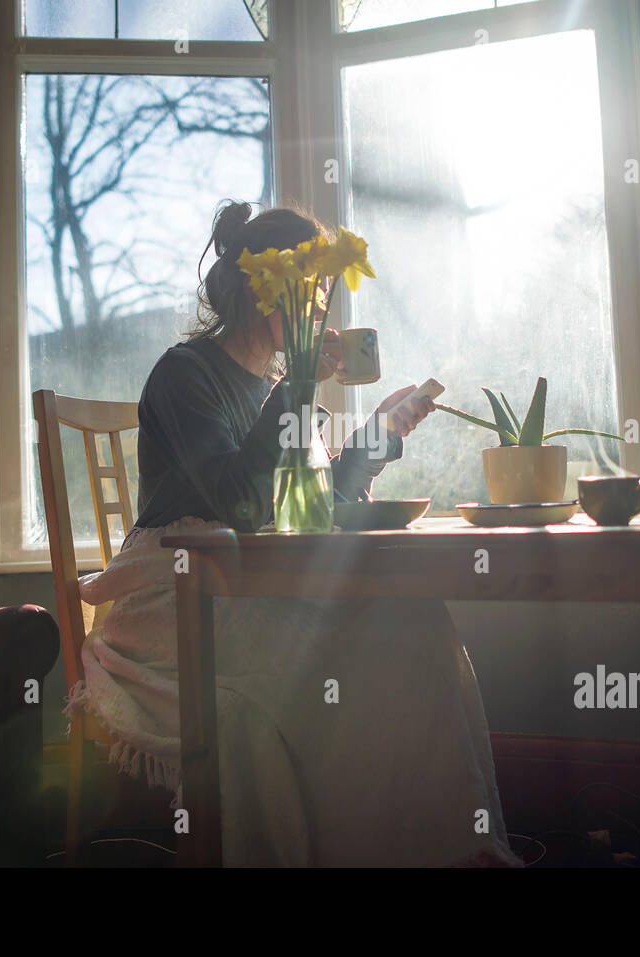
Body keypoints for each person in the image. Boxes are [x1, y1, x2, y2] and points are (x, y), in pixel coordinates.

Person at [67, 201, 522, 866]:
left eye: (325, 297)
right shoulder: (184, 374)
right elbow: (243, 504)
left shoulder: (280, 385)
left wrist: (380, 433)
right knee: (351, 658)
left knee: (417, 624)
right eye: (312, 296)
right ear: (264, 290)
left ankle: (447, 849)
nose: (320, 314)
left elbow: (308, 509)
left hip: (255, 582)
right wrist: (301, 386)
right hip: (178, 598)